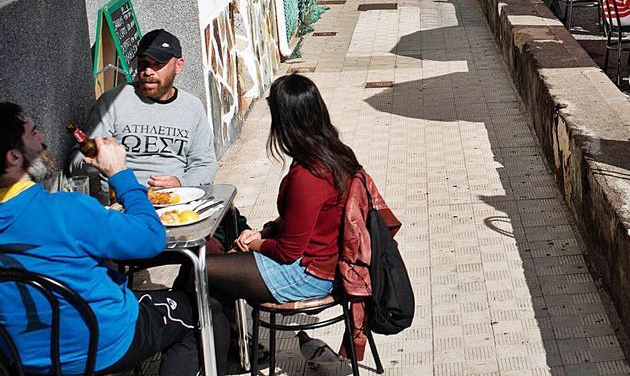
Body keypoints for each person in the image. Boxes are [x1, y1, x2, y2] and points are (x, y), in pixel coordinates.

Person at [0, 102, 227, 374]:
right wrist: (119, 173)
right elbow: (151, 238)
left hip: (22, 359)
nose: (42, 139)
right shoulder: (66, 210)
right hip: (101, 345)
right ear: (13, 157)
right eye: (34, 133)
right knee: (205, 311)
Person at [202, 74, 361, 306]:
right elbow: (302, 219)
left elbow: (288, 252)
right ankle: (227, 339)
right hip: (322, 264)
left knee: (198, 270)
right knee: (213, 276)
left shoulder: (309, 174)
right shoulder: (336, 152)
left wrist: (252, 244)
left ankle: (195, 337)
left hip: (310, 274)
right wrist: (263, 233)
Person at [71, 28, 216, 188]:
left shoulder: (192, 107)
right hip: (121, 202)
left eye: (157, 65)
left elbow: (204, 164)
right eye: (143, 63)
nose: (148, 72)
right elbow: (75, 165)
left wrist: (182, 184)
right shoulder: (112, 102)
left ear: (178, 65)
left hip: (176, 200)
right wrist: (95, 162)